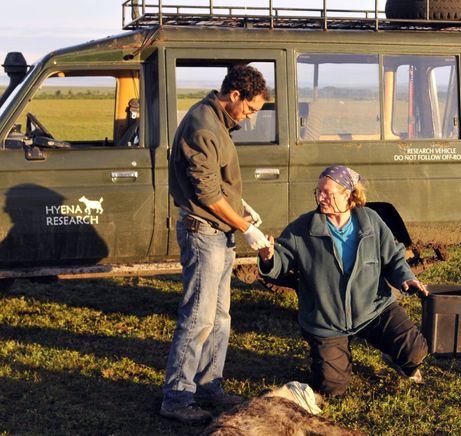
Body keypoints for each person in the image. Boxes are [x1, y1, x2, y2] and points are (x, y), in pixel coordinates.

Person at [258, 165, 429, 396]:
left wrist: (407, 279)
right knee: (332, 387)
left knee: (415, 351)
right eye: (318, 191)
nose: (321, 197)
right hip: (327, 319)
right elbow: (281, 262)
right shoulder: (302, 228)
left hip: (373, 308)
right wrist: (269, 257)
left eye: (328, 193)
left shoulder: (370, 220)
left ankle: (397, 359)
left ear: (348, 194)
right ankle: (332, 357)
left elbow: (393, 256)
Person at [162, 65, 271, 425]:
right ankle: (177, 396)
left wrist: (241, 209)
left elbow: (218, 183)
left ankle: (209, 385)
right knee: (198, 317)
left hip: (220, 232)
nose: (251, 117)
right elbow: (206, 192)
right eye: (251, 109)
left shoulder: (218, 123)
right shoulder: (204, 126)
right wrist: (245, 228)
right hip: (204, 233)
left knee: (220, 316)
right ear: (234, 95)